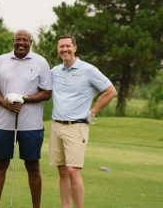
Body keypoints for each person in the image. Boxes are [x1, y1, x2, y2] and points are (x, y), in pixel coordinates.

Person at [0, 29, 52, 208]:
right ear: (13, 41)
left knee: (33, 167)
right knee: (0, 165)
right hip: (3, 124)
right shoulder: (1, 60)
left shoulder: (40, 62)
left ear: (31, 42)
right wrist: (6, 103)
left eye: (25, 40)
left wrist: (25, 98)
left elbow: (47, 93)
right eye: (18, 40)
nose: (21, 43)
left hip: (31, 125)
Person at [49, 35, 117, 208]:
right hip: (56, 126)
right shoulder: (55, 71)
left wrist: (93, 111)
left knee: (73, 170)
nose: (64, 49)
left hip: (77, 126)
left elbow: (110, 91)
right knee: (62, 170)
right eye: (61, 47)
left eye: (67, 46)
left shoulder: (88, 70)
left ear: (75, 47)